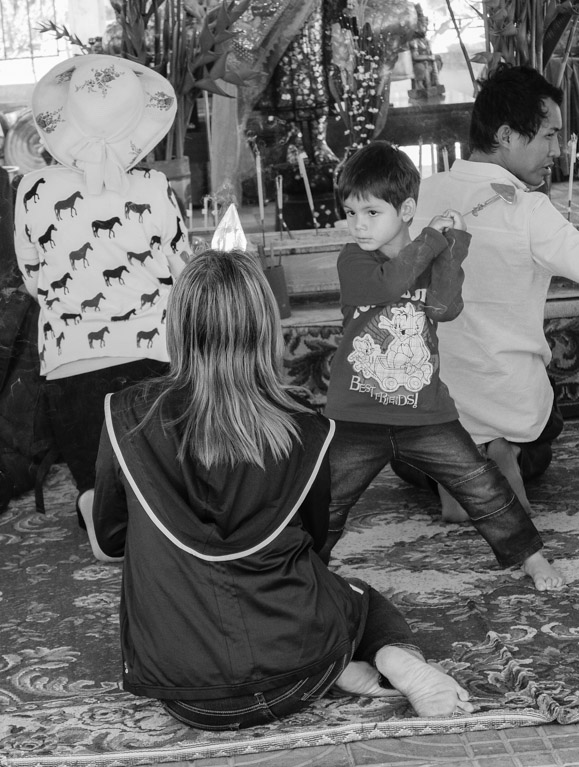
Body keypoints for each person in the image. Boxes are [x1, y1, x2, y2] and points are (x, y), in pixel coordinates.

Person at [92, 248, 474, 728]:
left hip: (188, 694)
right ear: (266, 328)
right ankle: (390, 658)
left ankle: (342, 667)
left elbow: (110, 539)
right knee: (360, 597)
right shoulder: (305, 425)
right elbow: (313, 540)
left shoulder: (124, 415)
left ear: (176, 326)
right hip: (303, 671)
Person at [321, 140, 565, 592]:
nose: (358, 224)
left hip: (426, 412)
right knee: (327, 500)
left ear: (406, 210)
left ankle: (530, 557)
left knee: (482, 485)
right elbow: (387, 285)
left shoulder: (425, 254)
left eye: (371, 212)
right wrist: (431, 241)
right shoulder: (353, 259)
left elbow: (444, 308)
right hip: (357, 414)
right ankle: (298, 567)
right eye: (351, 212)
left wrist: (454, 247)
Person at [13, 55, 191, 554]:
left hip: (69, 359)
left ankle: (93, 499)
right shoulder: (154, 187)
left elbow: (32, 275)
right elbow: (182, 267)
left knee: (90, 457)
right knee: (152, 456)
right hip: (152, 356)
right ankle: (155, 514)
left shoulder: (32, 188)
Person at [408, 64, 576, 523]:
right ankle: (502, 451)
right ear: (505, 135)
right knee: (548, 424)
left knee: (407, 452)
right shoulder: (530, 210)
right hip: (514, 410)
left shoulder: (418, 196)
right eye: (549, 135)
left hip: (425, 417)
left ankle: (454, 468)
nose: (557, 151)